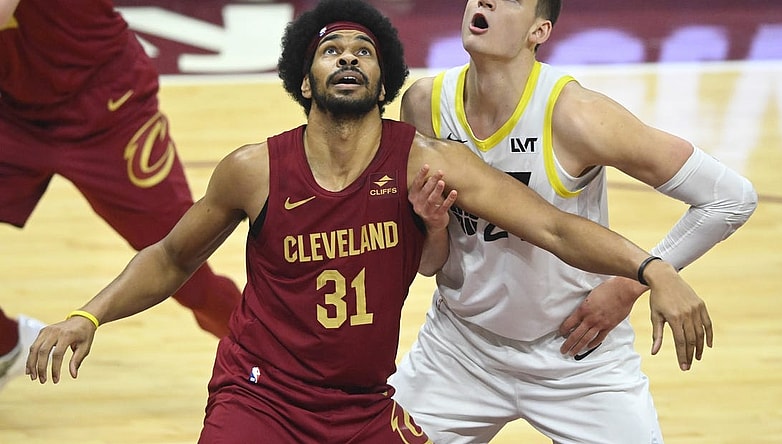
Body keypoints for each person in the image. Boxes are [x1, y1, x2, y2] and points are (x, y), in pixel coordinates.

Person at [26, 0, 709, 441]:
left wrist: (652, 270)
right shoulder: (254, 169)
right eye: (330, 50)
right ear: (304, 78)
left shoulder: (424, 164)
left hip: (362, 408)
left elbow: (555, 227)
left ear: (385, 86)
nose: (347, 56)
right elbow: (172, 258)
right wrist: (85, 316)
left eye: (363, 51)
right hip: (260, 399)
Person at [389, 0, 759, 443]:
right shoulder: (423, 104)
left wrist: (629, 285)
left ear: (538, 31)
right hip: (460, 349)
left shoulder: (578, 114)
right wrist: (430, 226)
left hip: (577, 354)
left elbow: (730, 198)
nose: (484, 0)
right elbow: (431, 263)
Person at [0, 0, 243, 392]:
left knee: (184, 265)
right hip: (15, 112)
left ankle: (296, 358)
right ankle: (5, 346)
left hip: (108, 108)